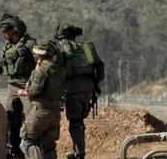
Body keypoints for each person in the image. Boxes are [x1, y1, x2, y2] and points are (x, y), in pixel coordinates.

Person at [0, 13, 38, 158]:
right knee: (11, 120)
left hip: (27, 88)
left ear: (14, 30)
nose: (4, 34)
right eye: (3, 32)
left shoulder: (30, 44)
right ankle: (13, 152)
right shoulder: (6, 49)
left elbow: (41, 65)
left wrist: (33, 84)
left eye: (6, 31)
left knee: (31, 123)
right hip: (12, 88)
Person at [55, 24, 104, 159]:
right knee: (79, 121)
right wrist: (96, 85)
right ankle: (78, 150)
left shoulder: (63, 49)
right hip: (88, 89)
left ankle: (79, 154)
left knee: (75, 123)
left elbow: (57, 70)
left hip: (73, 90)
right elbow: (99, 65)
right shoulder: (86, 48)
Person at [20, 41, 66, 159]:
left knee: (28, 142)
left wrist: (23, 92)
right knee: (49, 147)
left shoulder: (42, 70)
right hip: (54, 113)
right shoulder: (60, 70)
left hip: (39, 112)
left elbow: (34, 91)